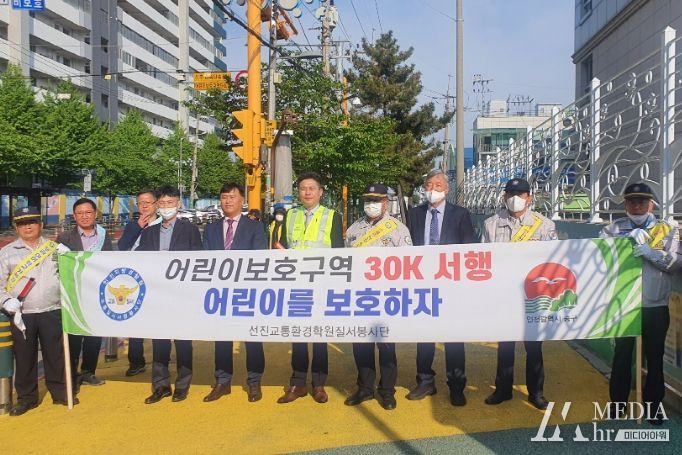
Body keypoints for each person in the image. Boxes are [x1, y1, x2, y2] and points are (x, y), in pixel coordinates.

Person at [600, 182, 680, 425]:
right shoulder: (612, 229)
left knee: (655, 358)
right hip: (624, 305)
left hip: (655, 305)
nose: (637, 206)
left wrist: (650, 252)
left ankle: (653, 407)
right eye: (632, 201)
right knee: (622, 356)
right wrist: (625, 245)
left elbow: (675, 263)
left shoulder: (668, 230)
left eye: (642, 201)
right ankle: (618, 405)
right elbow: (602, 260)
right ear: (625, 204)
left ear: (651, 204)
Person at [481, 178, 557, 410]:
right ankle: (502, 390)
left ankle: (536, 393)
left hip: (533, 295)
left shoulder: (544, 225)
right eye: (511, 194)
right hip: (504, 295)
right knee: (505, 346)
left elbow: (552, 259)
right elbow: (484, 259)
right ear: (504, 197)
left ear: (529, 198)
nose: (516, 198)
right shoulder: (491, 224)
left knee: (534, 347)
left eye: (521, 194)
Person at [405, 169, 475, 407]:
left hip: (451, 286)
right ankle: (425, 381)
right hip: (423, 285)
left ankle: (456, 385)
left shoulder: (460, 214)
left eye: (437, 185)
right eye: (428, 185)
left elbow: (469, 250)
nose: (432, 189)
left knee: (453, 337)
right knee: (424, 337)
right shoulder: (414, 214)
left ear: (446, 189)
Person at [0, 207, 76, 416]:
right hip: (22, 314)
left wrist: (69, 258)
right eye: (22, 223)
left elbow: (70, 276)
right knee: (24, 357)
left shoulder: (55, 249)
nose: (28, 227)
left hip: (52, 309)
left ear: (40, 225)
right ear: (16, 227)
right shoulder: (6, 253)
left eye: (32, 222)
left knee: (55, 354)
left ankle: (60, 392)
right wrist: (6, 301)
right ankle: (27, 398)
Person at [344, 184, 412, 411]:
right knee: (361, 345)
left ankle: (387, 391)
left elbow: (408, 264)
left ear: (385, 202)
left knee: (386, 346)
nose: (371, 204)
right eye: (367, 200)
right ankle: (365, 388)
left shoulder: (398, 230)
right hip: (360, 296)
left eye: (376, 200)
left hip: (387, 296)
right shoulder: (354, 229)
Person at [277, 172, 343, 404]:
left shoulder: (332, 216)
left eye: (311, 188)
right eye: (303, 188)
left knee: (319, 336)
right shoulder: (290, 215)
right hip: (296, 285)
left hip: (321, 285)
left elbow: (338, 252)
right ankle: (297, 383)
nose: (307, 192)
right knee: (298, 335)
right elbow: (284, 245)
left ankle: (319, 384)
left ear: (320, 192)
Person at [202, 183, 268, 403]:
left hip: (247, 291)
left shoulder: (254, 227)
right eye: (224, 197)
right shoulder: (211, 229)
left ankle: (254, 382)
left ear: (242, 201)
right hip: (220, 292)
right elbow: (205, 259)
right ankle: (222, 381)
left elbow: (260, 258)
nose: (228, 201)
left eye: (232, 197)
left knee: (252, 338)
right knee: (222, 338)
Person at [137, 186, 202, 404]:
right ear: (157, 205)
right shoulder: (149, 233)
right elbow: (140, 260)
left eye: (170, 203)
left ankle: (182, 385)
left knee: (183, 341)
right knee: (160, 341)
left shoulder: (190, 230)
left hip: (182, 295)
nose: (166, 207)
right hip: (157, 295)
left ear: (178, 204)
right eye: (162, 203)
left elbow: (199, 259)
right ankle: (160, 385)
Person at [58, 198, 113, 391]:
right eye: (80, 213)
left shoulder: (104, 236)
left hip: (96, 293)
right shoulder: (65, 238)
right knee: (73, 337)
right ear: (74, 216)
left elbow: (108, 262)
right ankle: (72, 376)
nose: (84, 216)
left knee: (93, 335)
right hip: (73, 294)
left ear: (95, 214)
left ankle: (88, 371)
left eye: (88, 212)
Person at [117, 189, 160, 376]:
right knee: (135, 322)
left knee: (158, 322)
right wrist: (137, 227)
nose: (143, 206)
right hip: (136, 280)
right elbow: (122, 246)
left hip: (158, 281)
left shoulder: (164, 224)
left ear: (156, 204)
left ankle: (160, 361)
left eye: (147, 203)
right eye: (140, 203)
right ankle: (136, 361)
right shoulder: (133, 225)